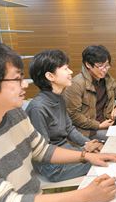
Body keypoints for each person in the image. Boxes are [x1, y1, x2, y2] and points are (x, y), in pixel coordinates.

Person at [0, 39, 116, 202]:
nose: (25, 85)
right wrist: (85, 195)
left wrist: (87, 155)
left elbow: (42, 149)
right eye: (17, 79)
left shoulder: (14, 114)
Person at [26, 49, 105, 182]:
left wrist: (86, 143)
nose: (71, 72)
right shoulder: (38, 108)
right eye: (65, 69)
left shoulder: (59, 97)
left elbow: (69, 129)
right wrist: (83, 153)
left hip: (67, 152)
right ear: (50, 76)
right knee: (105, 162)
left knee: (103, 151)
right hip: (53, 167)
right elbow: (43, 152)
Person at [63, 45, 116, 141]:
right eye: (100, 65)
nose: (105, 69)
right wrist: (98, 125)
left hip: (108, 123)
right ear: (88, 65)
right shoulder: (76, 84)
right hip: (89, 130)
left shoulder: (106, 78)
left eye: (107, 65)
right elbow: (73, 115)